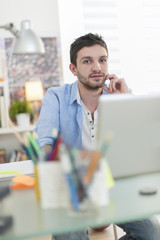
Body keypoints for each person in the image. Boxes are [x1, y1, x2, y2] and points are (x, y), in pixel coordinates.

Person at [35, 33, 160, 240]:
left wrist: (126, 101)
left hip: (113, 186)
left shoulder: (120, 95)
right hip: (72, 190)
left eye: (102, 60)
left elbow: (141, 144)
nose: (97, 67)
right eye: (87, 61)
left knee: (152, 232)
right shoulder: (55, 97)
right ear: (73, 69)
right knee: (70, 235)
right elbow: (44, 145)